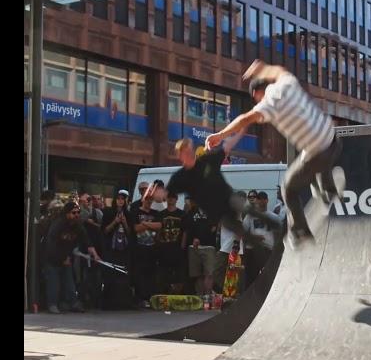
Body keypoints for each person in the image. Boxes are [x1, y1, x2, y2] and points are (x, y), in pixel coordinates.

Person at [205, 59, 343, 248]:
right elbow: (279, 69)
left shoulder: (268, 104)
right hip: (333, 140)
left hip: (318, 153)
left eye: (255, 99)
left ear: (256, 94)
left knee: (288, 187)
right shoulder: (287, 82)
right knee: (308, 157)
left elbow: (245, 118)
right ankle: (328, 189)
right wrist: (262, 69)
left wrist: (220, 135)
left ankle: (300, 231)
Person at [147, 134, 279, 253]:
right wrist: (154, 194)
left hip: (229, 198)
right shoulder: (179, 177)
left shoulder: (206, 160)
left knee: (243, 207)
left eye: (190, 150)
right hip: (217, 212)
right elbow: (164, 195)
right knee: (234, 226)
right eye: (186, 152)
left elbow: (225, 148)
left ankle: (274, 225)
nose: (190, 153)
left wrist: (239, 131)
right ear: (180, 155)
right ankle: (255, 240)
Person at [43, 202, 101, 314]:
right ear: (67, 213)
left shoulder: (77, 225)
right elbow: (51, 244)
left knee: (70, 283)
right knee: (53, 284)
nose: (76, 215)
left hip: (66, 258)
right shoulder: (58, 224)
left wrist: (95, 254)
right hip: (53, 259)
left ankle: (73, 303)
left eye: (78, 212)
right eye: (73, 213)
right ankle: (52, 304)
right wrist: (61, 258)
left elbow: (86, 240)